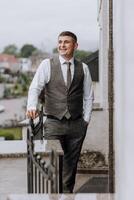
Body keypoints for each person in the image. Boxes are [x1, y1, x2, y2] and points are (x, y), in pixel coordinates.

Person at [26, 31, 94, 193]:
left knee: (72, 162)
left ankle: (67, 194)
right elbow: (35, 87)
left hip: (77, 124)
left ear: (75, 46)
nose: (62, 45)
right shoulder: (47, 64)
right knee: (55, 161)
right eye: (60, 42)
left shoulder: (83, 68)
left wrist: (85, 120)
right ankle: (54, 193)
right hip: (53, 122)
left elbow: (88, 97)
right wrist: (31, 106)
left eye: (66, 42)